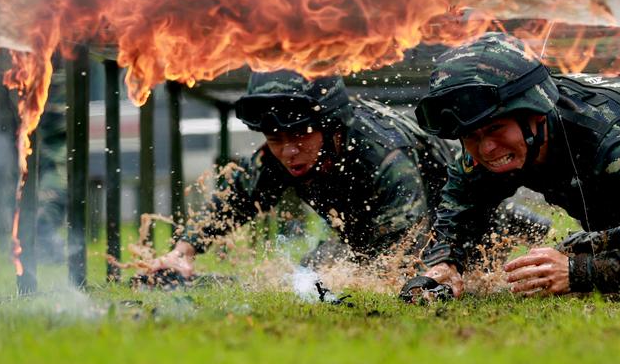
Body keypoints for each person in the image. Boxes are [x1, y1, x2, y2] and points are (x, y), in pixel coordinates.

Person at [402, 32, 620, 299]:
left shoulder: (612, 145)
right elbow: (460, 206)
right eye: (471, 135)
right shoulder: (496, 143)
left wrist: (577, 274)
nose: (485, 148)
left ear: (534, 115)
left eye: (495, 129)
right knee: (576, 248)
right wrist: (444, 263)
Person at [148, 70, 457, 277]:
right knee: (308, 271)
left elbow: (402, 256)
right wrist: (183, 251)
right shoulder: (280, 154)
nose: (288, 152)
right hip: (366, 232)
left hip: (450, 224)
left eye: (299, 136)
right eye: (275, 139)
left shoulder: (387, 158)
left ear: (331, 127)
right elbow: (236, 199)